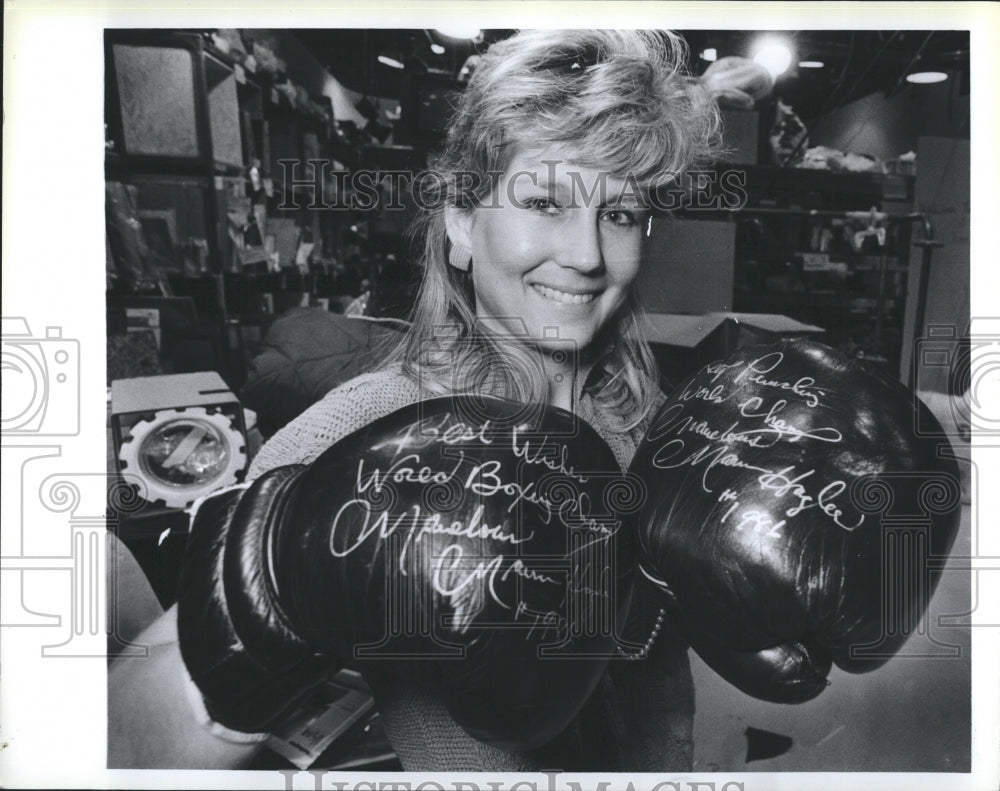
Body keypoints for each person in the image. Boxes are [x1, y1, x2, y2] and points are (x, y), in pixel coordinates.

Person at [108, 29, 772, 770]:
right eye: (545, 200)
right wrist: (283, 585)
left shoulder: (648, 426)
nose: (586, 254)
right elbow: (120, 736)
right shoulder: (363, 430)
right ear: (461, 221)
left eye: (618, 214)